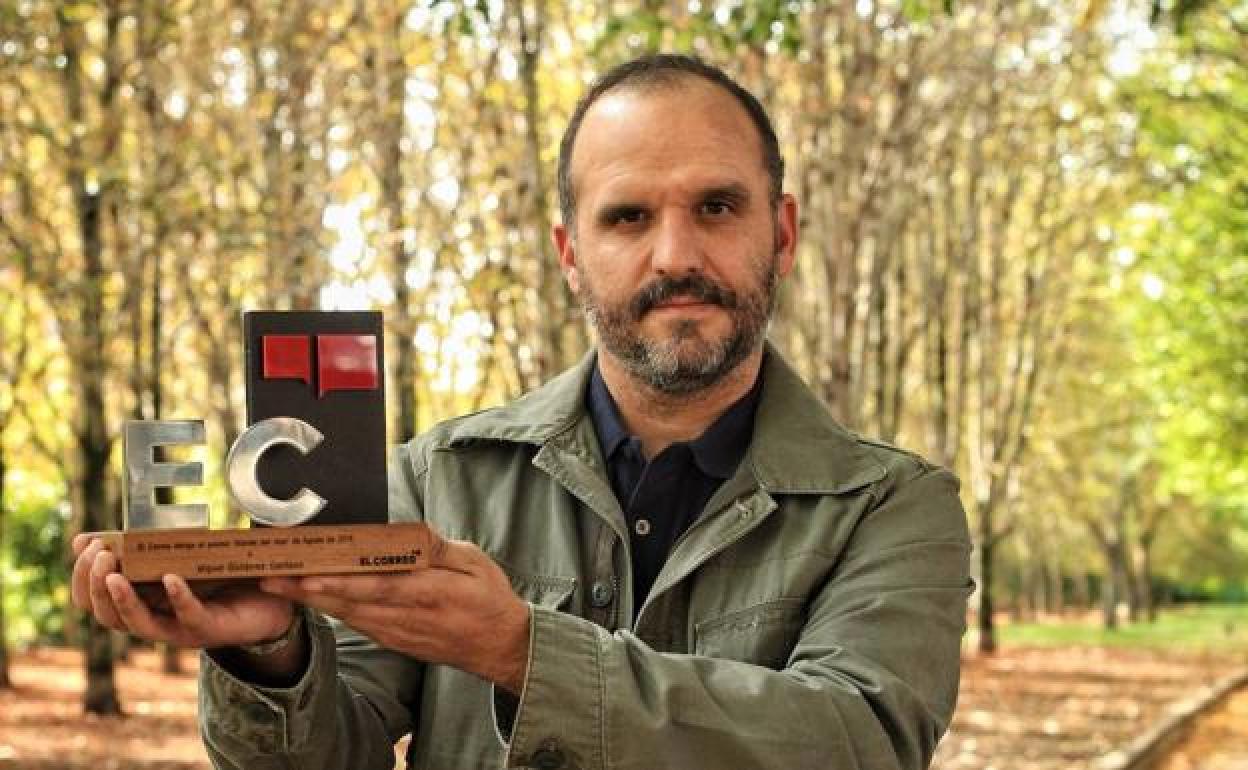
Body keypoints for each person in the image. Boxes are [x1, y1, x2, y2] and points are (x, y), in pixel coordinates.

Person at [71, 54, 972, 770]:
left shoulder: (894, 505)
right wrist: (269, 653)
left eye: (716, 205)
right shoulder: (433, 480)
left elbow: (863, 741)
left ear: (780, 232)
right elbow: (326, 753)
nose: (675, 254)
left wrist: (521, 651)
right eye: (626, 217)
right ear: (570, 254)